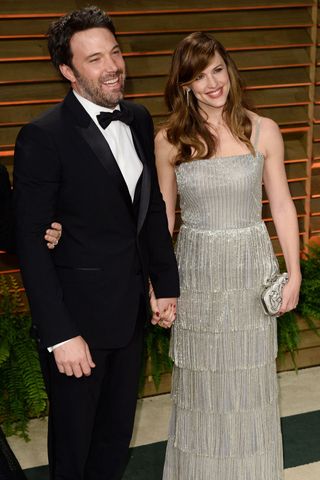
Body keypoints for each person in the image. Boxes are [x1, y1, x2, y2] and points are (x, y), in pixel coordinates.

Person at [13, 6, 179, 480]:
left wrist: (165, 283)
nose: (112, 67)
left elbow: (147, 211)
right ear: (67, 71)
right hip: (76, 324)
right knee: (75, 450)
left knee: (113, 443)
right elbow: (30, 244)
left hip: (128, 317)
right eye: (94, 59)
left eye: (115, 52)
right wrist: (61, 334)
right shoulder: (43, 137)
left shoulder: (139, 118)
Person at [155, 32, 301, 479]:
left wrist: (293, 273)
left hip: (249, 271)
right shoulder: (169, 141)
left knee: (249, 382)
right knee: (202, 387)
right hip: (195, 275)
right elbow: (163, 218)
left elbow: (280, 204)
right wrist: (158, 285)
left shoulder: (263, 130)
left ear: (229, 70)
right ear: (184, 84)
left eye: (217, 69)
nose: (212, 83)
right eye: (199, 76)